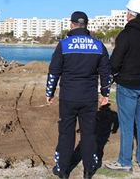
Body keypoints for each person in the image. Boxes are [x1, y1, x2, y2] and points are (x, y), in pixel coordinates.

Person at [46, 11, 111, 179]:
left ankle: (63, 170)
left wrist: (50, 92)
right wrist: (105, 94)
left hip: (68, 97)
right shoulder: (98, 45)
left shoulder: (64, 45)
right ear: (87, 25)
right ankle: (89, 169)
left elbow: (54, 71)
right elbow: (106, 73)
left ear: (71, 24)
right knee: (89, 133)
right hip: (89, 98)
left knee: (66, 132)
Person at [105, 0, 140, 172]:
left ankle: (124, 162)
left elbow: (115, 61)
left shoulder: (126, 34)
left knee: (127, 124)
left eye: (128, 12)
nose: (127, 15)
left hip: (128, 85)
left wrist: (113, 75)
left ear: (131, 14)